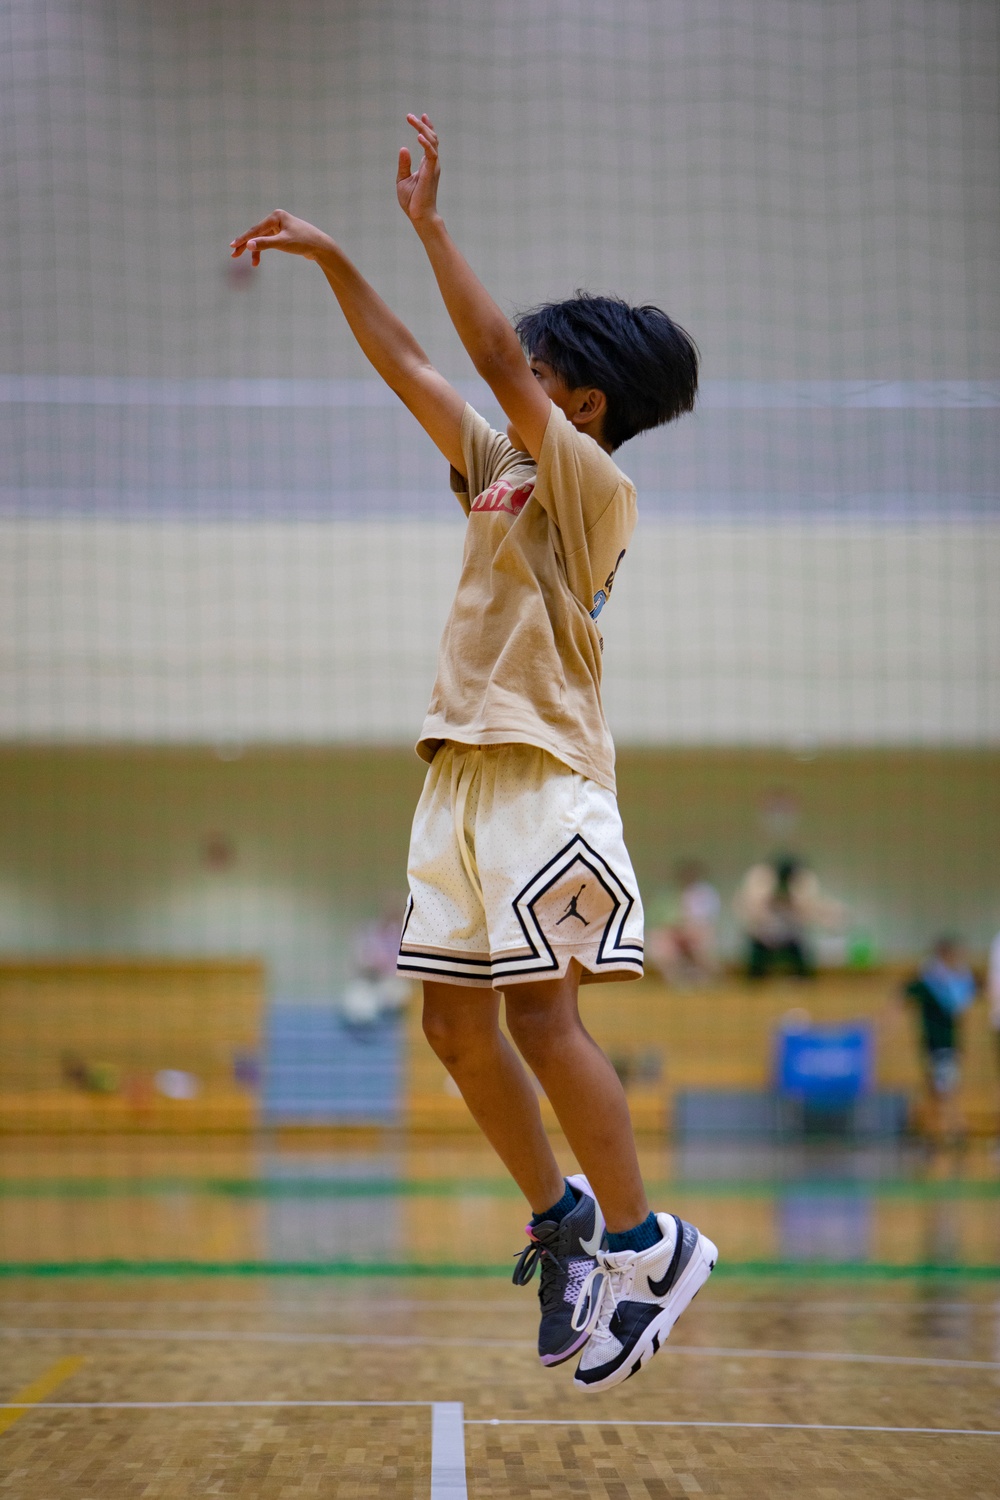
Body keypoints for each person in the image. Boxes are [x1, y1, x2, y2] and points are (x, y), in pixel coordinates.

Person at [231, 111, 717, 1391]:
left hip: (544, 772)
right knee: (453, 1029)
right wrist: (339, 257)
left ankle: (649, 1245)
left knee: (544, 1024)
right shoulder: (498, 464)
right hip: (454, 772)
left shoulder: (594, 486)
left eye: (542, 376)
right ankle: (563, 1222)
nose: (518, 381)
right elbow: (413, 360)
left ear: (583, 401)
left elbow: (489, 349)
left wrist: (431, 224)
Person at [902, 937, 977, 1145]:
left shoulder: (955, 983)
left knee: (946, 1090)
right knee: (937, 1090)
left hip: (946, 1045)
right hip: (933, 1045)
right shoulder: (929, 981)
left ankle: (955, 1130)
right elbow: (904, 994)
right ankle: (941, 1132)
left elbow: (960, 1009)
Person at [734, 854, 842, 980]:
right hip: (763, 937)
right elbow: (749, 908)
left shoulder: (800, 887)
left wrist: (828, 915)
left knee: (805, 974)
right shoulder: (761, 884)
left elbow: (809, 909)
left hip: (791, 938)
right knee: (755, 976)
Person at [647, 859, 721, 985]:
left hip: (699, 933)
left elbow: (706, 921)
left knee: (700, 942)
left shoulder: (706, 894)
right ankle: (677, 980)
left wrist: (690, 932)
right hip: (676, 933)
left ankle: (703, 979)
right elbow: (661, 920)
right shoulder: (670, 894)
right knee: (660, 942)